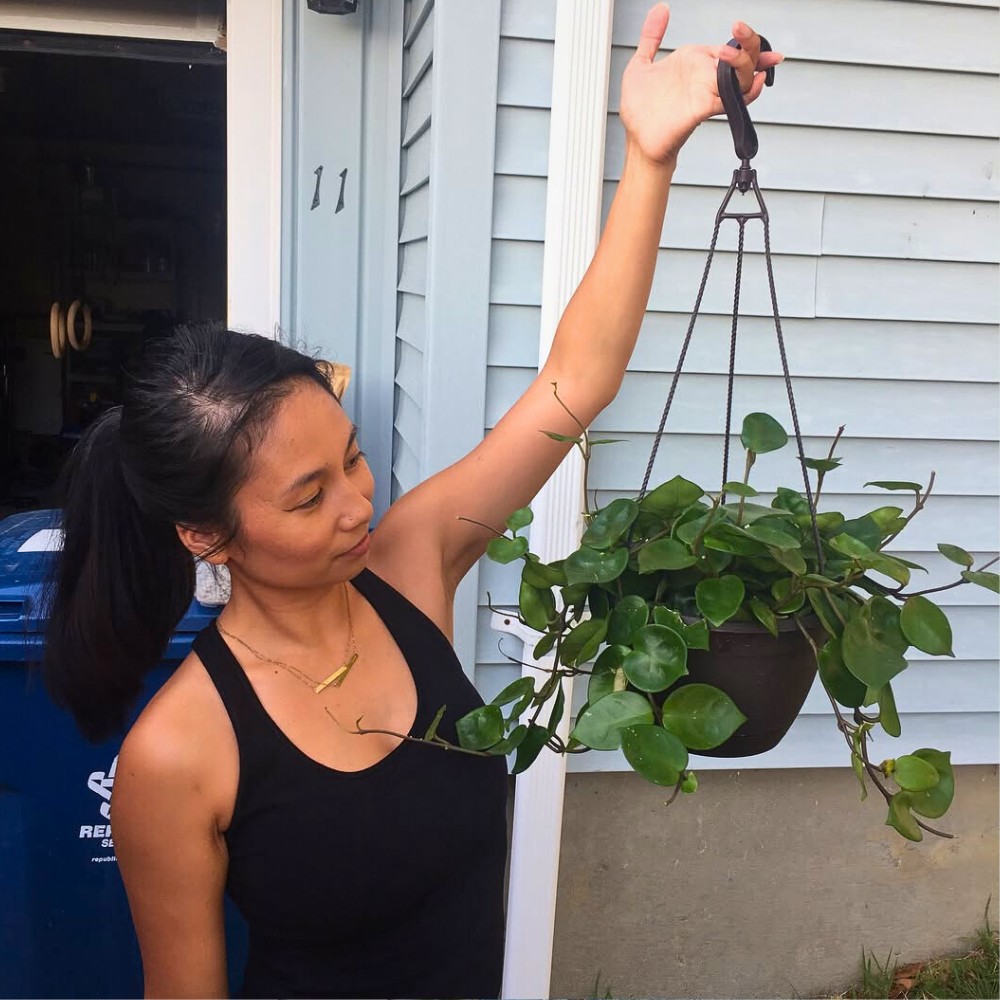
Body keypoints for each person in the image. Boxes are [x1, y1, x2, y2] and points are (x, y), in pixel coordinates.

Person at [43, 8, 780, 998]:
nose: (358, 502)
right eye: (310, 497)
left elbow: (574, 383)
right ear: (206, 534)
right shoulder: (179, 751)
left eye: (351, 460)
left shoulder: (410, 561)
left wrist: (647, 157)